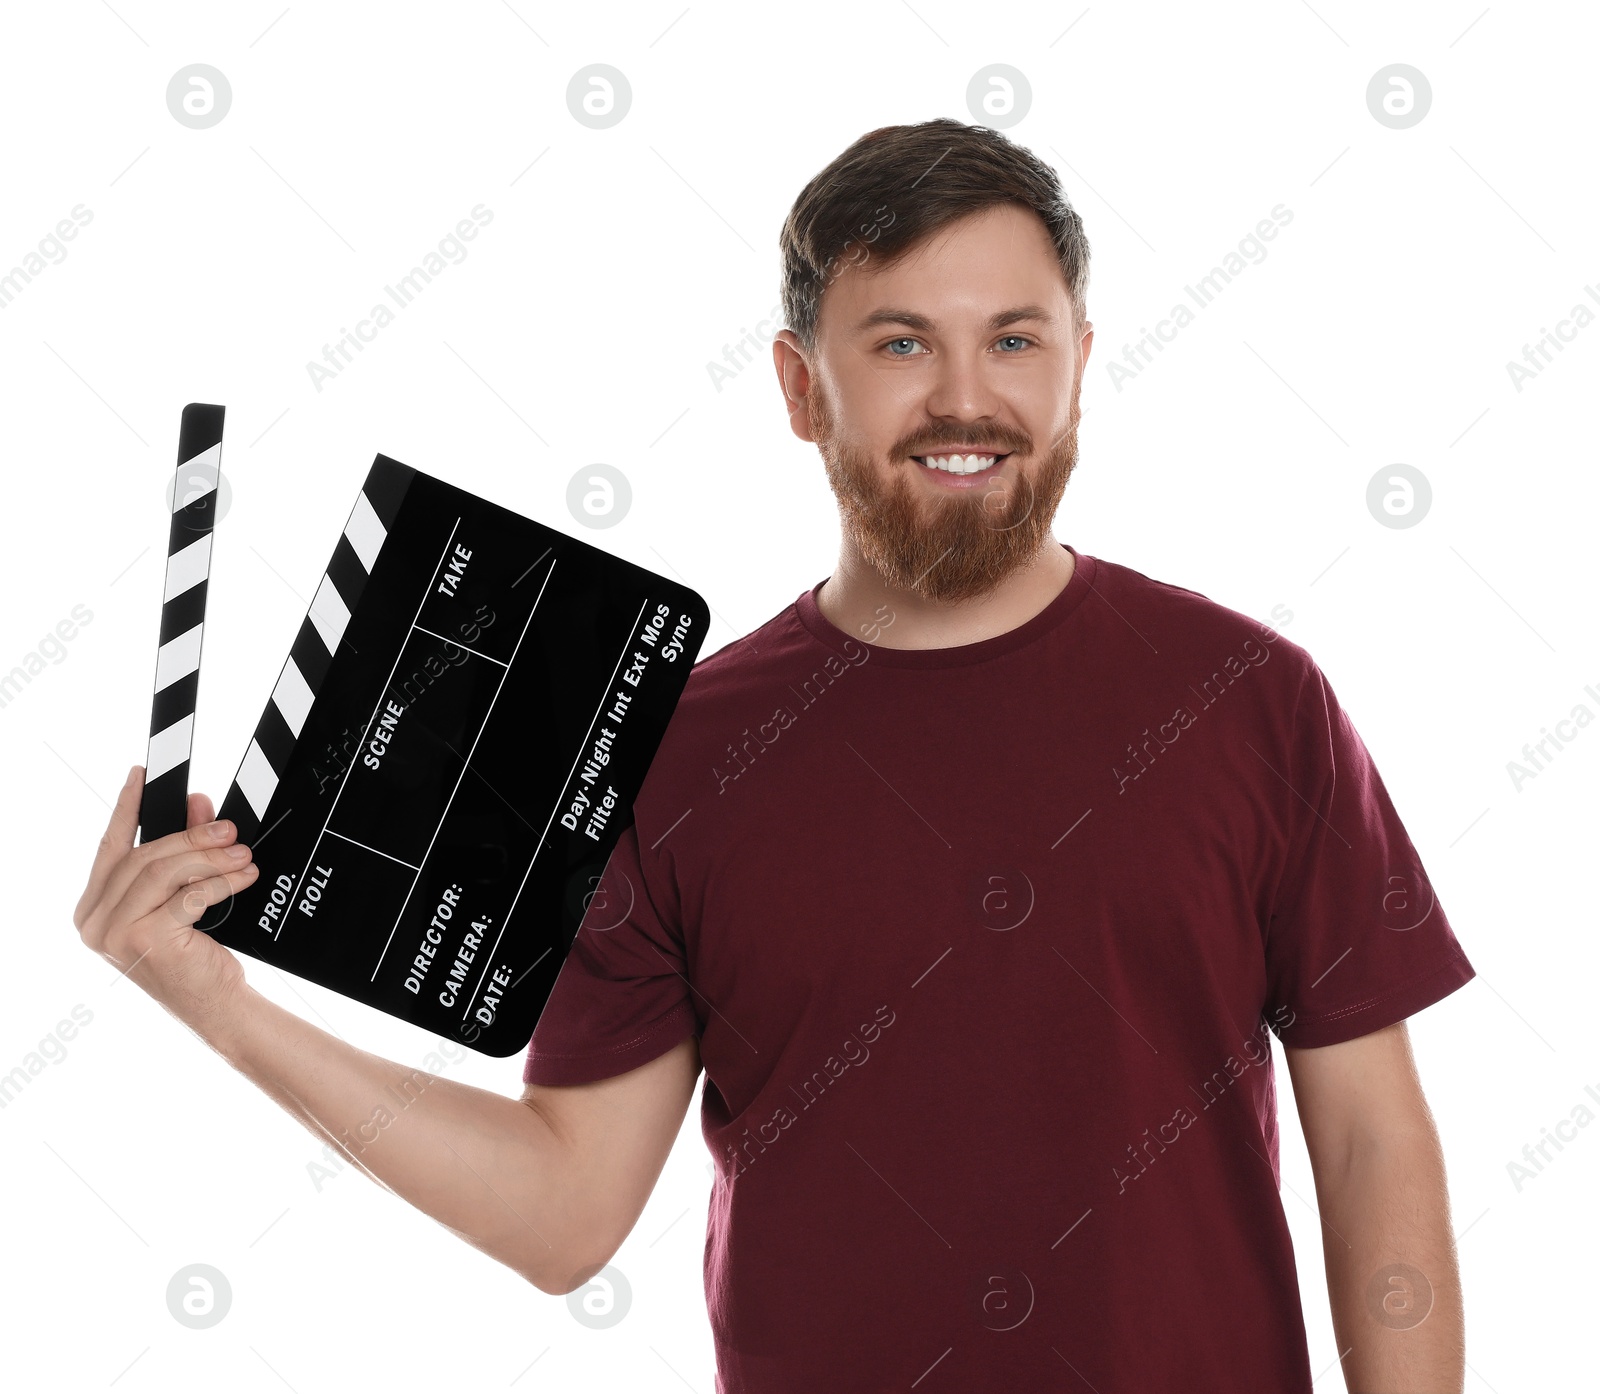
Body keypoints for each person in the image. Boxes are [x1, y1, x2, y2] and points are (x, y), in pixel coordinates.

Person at [75, 118, 1475, 1393]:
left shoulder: (1252, 701)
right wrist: (221, 1002)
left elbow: (1370, 1143)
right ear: (802, 388)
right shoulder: (678, 754)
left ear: (1082, 365)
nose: (966, 399)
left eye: (1016, 339)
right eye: (903, 343)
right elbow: (566, 1211)